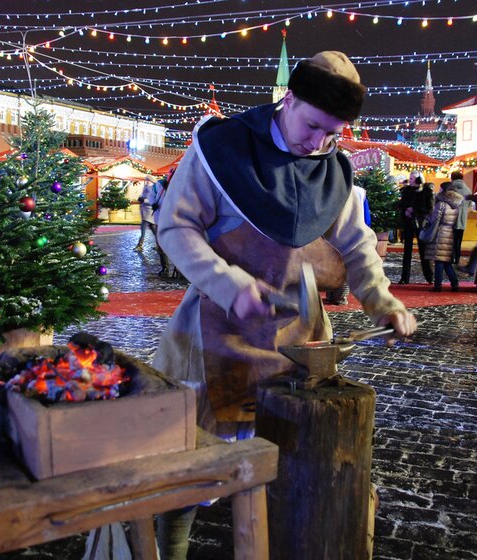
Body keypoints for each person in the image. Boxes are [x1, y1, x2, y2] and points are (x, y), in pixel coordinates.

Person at [151, 51, 417, 559]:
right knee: (190, 460)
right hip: (214, 336)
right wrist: (230, 285)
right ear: (288, 98)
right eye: (313, 126)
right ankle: (174, 546)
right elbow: (175, 226)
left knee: (288, 461)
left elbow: (357, 248)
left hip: (300, 340)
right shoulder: (222, 148)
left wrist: (382, 301)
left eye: (333, 134)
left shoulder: (333, 172)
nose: (318, 143)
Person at [424, 181, 462, 292]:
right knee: (445, 261)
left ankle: (437, 285)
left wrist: (427, 216)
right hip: (449, 232)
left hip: (440, 233)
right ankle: (454, 284)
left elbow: (434, 218)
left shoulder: (441, 204)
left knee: (439, 260)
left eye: (440, 189)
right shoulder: (455, 205)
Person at [151, 168, 176, 277]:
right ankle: (165, 268)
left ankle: (180, 270)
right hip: (159, 219)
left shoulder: (179, 184)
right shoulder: (158, 185)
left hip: (173, 221)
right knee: (160, 245)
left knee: (176, 246)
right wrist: (153, 204)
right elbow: (151, 196)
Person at [397, 173, 419, 284]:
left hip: (419, 223)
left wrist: (414, 210)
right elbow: (401, 204)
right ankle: (405, 277)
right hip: (408, 223)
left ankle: (429, 275)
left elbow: (427, 207)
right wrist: (405, 210)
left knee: (424, 252)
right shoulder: (406, 191)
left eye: (413, 178)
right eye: (410, 178)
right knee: (407, 251)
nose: (411, 180)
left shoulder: (423, 191)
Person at [447, 171, 473, 265]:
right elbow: (470, 203)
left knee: (450, 241)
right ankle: (457, 259)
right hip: (462, 219)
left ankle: (450, 258)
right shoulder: (467, 189)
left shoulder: (450, 188)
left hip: (451, 218)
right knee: (459, 241)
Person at [135, 175, 157, 251]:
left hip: (149, 213)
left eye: (148, 180)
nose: (146, 182)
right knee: (154, 231)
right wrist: (141, 198)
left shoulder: (153, 189)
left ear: (151, 181)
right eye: (146, 180)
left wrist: (143, 200)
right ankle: (160, 245)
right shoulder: (145, 188)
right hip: (145, 212)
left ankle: (139, 245)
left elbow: (153, 201)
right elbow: (144, 197)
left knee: (143, 230)